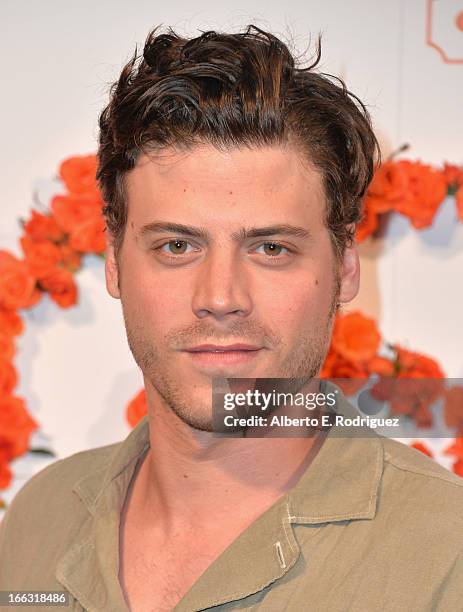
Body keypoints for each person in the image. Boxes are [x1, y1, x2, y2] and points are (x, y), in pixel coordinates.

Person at [1, 24, 462, 612]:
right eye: (176, 246)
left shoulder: (448, 555)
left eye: (270, 248)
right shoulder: (41, 517)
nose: (220, 296)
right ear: (115, 262)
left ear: (345, 267)